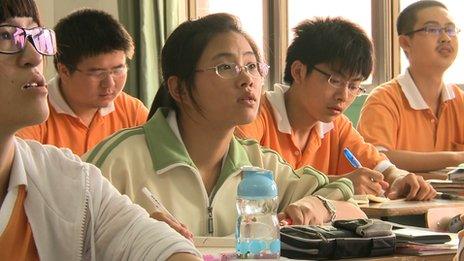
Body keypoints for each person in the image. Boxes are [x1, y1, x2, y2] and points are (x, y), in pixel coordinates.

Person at [84, 13, 366, 238]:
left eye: (252, 66)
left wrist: (319, 206)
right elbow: (67, 242)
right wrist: (131, 236)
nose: (247, 80)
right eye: (226, 67)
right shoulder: (120, 160)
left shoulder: (259, 164)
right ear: (179, 88)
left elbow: (354, 212)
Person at [0, 0, 201, 260]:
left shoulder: (67, 178)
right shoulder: (39, 131)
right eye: (6, 36)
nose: (35, 57)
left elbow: (147, 239)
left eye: (36, 36)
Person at [236, 17, 435, 200]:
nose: (344, 95)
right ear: (298, 71)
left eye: (354, 86)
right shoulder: (254, 115)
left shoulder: (336, 126)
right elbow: (242, 182)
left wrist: (399, 178)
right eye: (335, 80)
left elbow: (381, 166)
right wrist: (340, 184)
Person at [16, 8, 148, 156]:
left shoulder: (132, 112)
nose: (110, 84)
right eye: (97, 73)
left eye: (118, 70)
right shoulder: (33, 114)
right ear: (64, 71)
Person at [358, 1, 464, 173]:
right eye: (432, 29)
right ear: (406, 43)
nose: (445, 37)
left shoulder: (460, 101)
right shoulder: (384, 99)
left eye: (450, 29)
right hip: (398, 199)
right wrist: (455, 158)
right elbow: (376, 158)